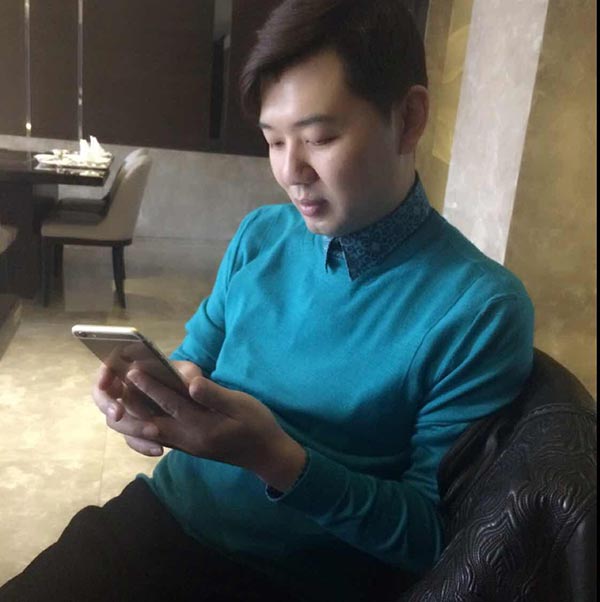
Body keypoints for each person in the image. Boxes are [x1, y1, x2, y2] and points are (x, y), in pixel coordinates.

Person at [0, 1, 534, 600]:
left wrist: (277, 459)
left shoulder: (479, 308)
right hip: (166, 512)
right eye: (274, 141)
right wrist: (148, 395)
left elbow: (429, 538)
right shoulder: (262, 234)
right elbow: (193, 357)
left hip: (292, 579)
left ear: (409, 119)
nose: (291, 171)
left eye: (319, 138)